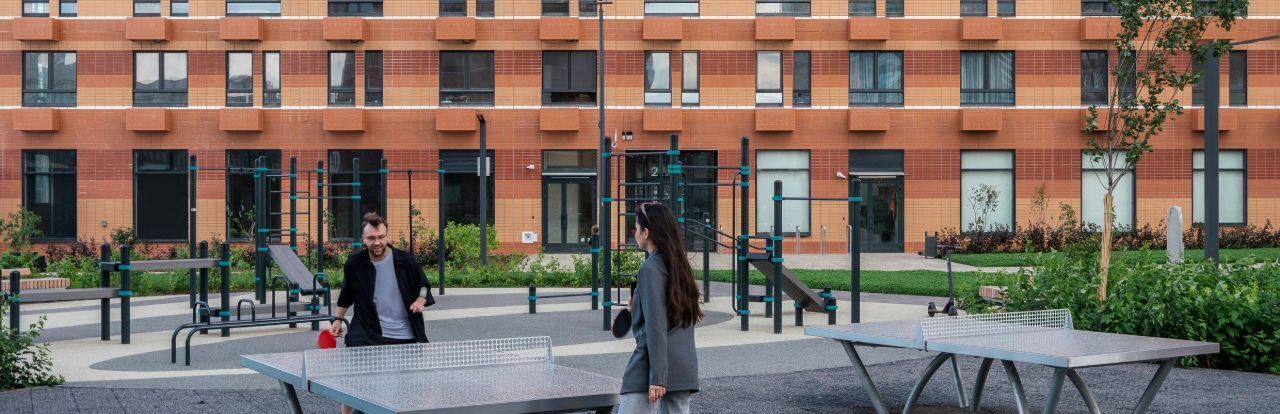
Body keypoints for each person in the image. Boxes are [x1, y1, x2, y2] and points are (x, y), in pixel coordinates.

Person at [619, 202, 703, 414]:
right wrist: (638, 305)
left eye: (636, 228)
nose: (634, 233)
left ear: (646, 232)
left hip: (651, 366)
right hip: (682, 366)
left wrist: (657, 377)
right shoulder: (680, 266)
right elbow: (673, 315)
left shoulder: (650, 268)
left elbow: (656, 325)